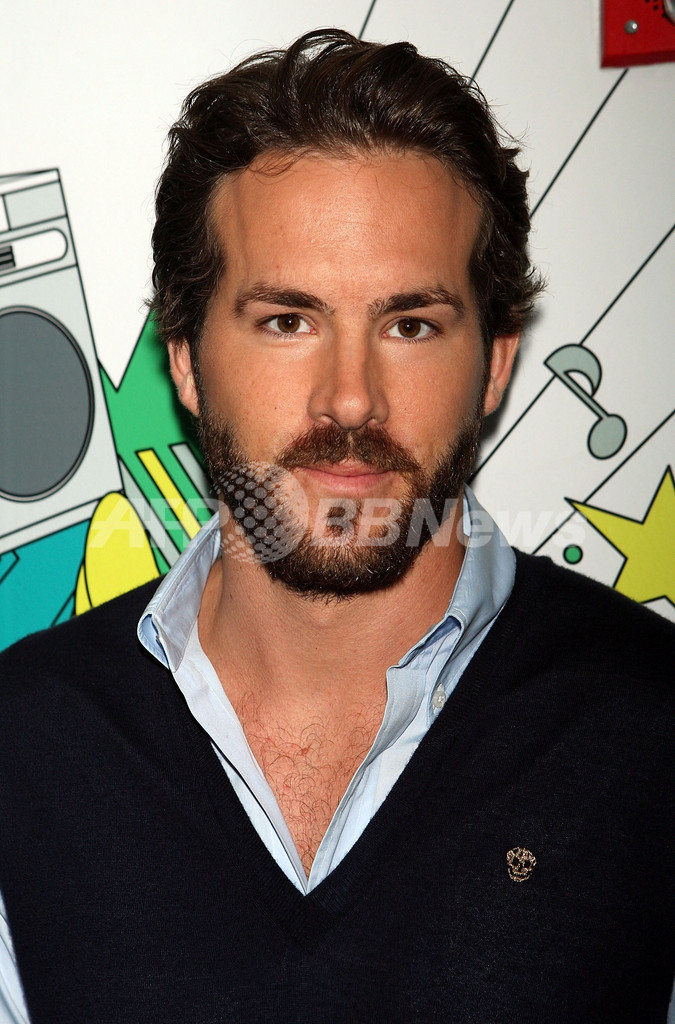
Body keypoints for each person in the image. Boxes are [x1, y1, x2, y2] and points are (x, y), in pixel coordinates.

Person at [0, 29, 673, 1024]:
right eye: (287, 321)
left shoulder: (652, 725)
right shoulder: (24, 741)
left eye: (410, 325)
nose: (350, 399)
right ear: (184, 357)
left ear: (494, 363)